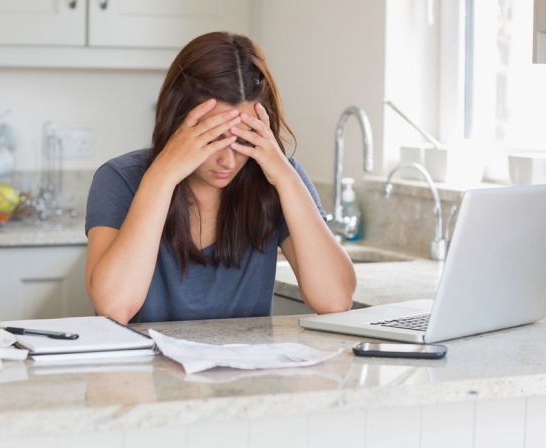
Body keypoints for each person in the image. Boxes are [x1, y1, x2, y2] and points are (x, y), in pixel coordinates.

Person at [85, 32, 356, 325]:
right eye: (213, 139)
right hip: (145, 368)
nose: (228, 160)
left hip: (249, 368)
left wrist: (287, 179)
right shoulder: (120, 178)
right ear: (177, 122)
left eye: (243, 140)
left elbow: (335, 300)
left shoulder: (277, 179)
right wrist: (162, 176)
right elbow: (114, 308)